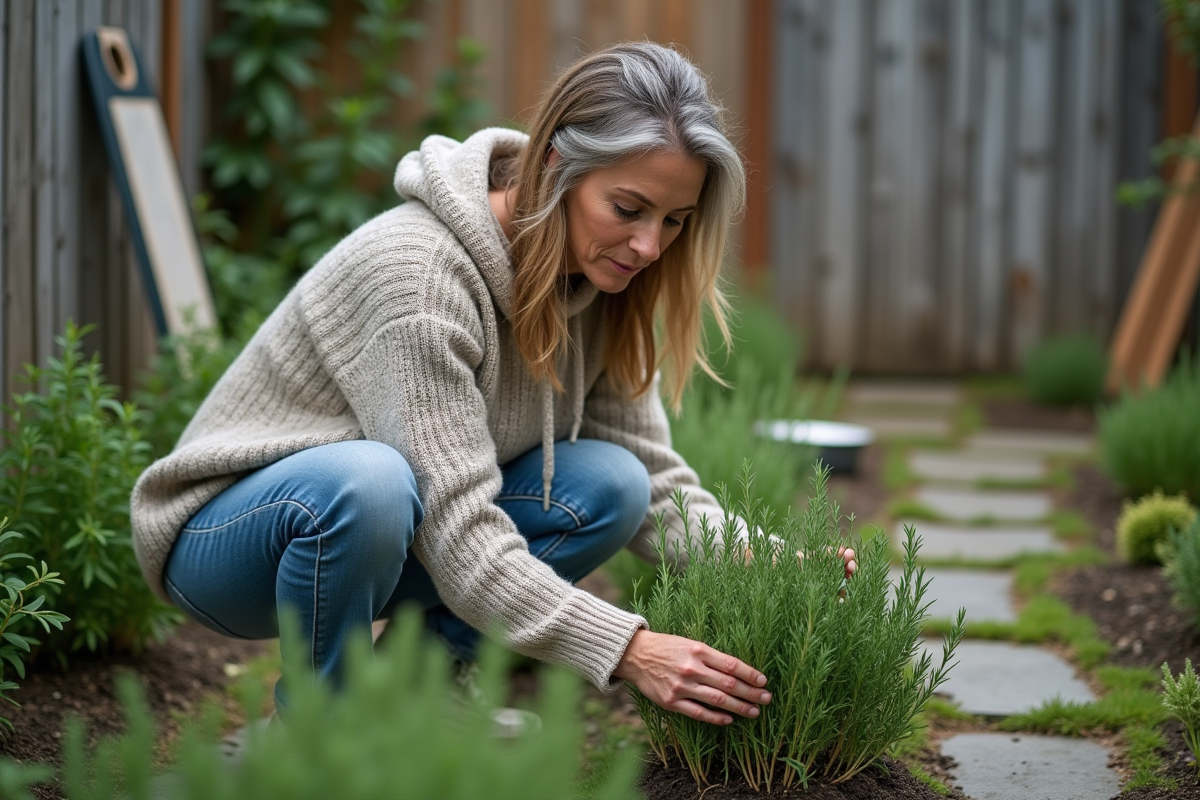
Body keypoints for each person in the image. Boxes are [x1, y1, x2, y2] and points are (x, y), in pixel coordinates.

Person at [131, 41, 854, 728]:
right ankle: (328, 735)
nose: (649, 246)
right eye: (628, 209)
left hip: (382, 535)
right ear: (556, 168)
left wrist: (772, 564)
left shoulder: (603, 281)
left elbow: (657, 490)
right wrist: (631, 649)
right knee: (370, 482)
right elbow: (460, 536)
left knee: (612, 481)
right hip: (230, 542)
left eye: (674, 220)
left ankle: (421, 697)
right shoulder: (418, 277)